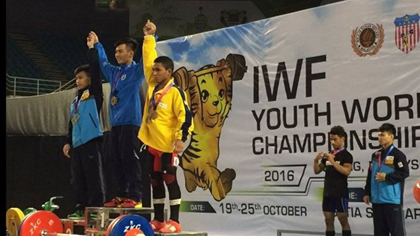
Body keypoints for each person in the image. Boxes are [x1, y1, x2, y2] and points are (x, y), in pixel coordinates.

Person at [88, 20, 157, 208]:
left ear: (130, 53)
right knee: (115, 161)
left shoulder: (136, 71)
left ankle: (136, 197)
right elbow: (103, 62)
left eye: (120, 51)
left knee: (130, 161)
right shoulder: (114, 73)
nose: (117, 54)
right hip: (115, 125)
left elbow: (147, 59)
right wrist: (97, 45)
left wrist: (150, 36)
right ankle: (121, 195)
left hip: (131, 124)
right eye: (116, 52)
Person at [138, 56, 194, 233]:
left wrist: (181, 139)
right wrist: (148, 38)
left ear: (168, 72)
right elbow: (147, 59)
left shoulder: (175, 92)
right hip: (153, 145)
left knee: (170, 180)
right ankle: (159, 219)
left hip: (168, 146)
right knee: (155, 181)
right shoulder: (153, 90)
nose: (154, 73)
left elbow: (185, 117)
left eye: (158, 70)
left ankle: (175, 221)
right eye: (153, 70)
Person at [62, 33, 106, 219]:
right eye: (77, 78)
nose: (78, 81)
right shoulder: (76, 100)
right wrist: (67, 142)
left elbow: (95, 70)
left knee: (93, 177)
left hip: (91, 142)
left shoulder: (95, 93)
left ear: (89, 79)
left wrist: (91, 49)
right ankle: (81, 207)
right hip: (77, 144)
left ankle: (96, 209)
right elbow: (73, 122)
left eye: (81, 78)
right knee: (78, 179)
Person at [363, 123, 409, 236]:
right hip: (377, 201)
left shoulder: (398, 155)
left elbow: (404, 173)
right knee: (379, 233)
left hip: (391, 200)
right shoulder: (375, 155)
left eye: (383, 135)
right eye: (379, 135)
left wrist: (387, 177)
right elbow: (370, 175)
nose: (380, 138)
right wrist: (367, 192)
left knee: (396, 232)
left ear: (391, 136)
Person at [313, 125, 353, 236]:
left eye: (335, 139)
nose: (332, 142)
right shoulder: (329, 155)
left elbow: (346, 171)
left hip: (340, 192)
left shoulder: (347, 155)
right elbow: (317, 171)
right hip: (328, 192)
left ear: (342, 139)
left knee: (343, 220)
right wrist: (316, 161)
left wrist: (333, 161)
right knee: (328, 220)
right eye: (331, 139)